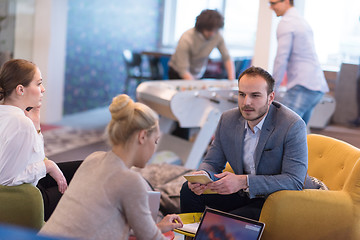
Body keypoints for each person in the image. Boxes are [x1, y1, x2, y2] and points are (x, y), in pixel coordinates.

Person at [39, 94, 183, 240]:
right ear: (142, 136)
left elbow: (107, 224)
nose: (154, 149)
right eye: (156, 141)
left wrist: (155, 228)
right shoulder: (131, 180)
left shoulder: (93, 159)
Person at [180, 66, 308, 221]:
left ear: (271, 97)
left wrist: (243, 181)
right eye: (242, 94)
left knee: (228, 221)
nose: (246, 102)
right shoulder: (228, 119)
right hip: (242, 193)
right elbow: (212, 162)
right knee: (188, 190)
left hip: (274, 199)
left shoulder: (292, 125)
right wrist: (203, 176)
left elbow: (294, 181)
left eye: (255, 96)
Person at [0, 59, 82, 221]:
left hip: (29, 184)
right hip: (27, 197)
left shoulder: (12, 115)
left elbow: (32, 158)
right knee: (88, 189)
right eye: (38, 84)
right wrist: (48, 166)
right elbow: (6, 178)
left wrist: (36, 124)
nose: (43, 89)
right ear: (20, 90)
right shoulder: (20, 122)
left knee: (87, 168)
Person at [269, 0, 329, 124]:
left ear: (286, 1)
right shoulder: (301, 20)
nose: (271, 7)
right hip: (315, 85)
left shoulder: (287, 23)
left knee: (282, 127)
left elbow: (281, 58)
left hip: (303, 86)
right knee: (298, 134)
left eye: (273, 3)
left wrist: (271, 88)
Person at [168, 9, 235, 80]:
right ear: (201, 27)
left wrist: (231, 81)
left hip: (197, 73)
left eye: (215, 30)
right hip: (178, 73)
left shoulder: (217, 35)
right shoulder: (186, 38)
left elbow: (227, 58)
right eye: (209, 30)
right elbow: (183, 70)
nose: (212, 34)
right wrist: (195, 86)